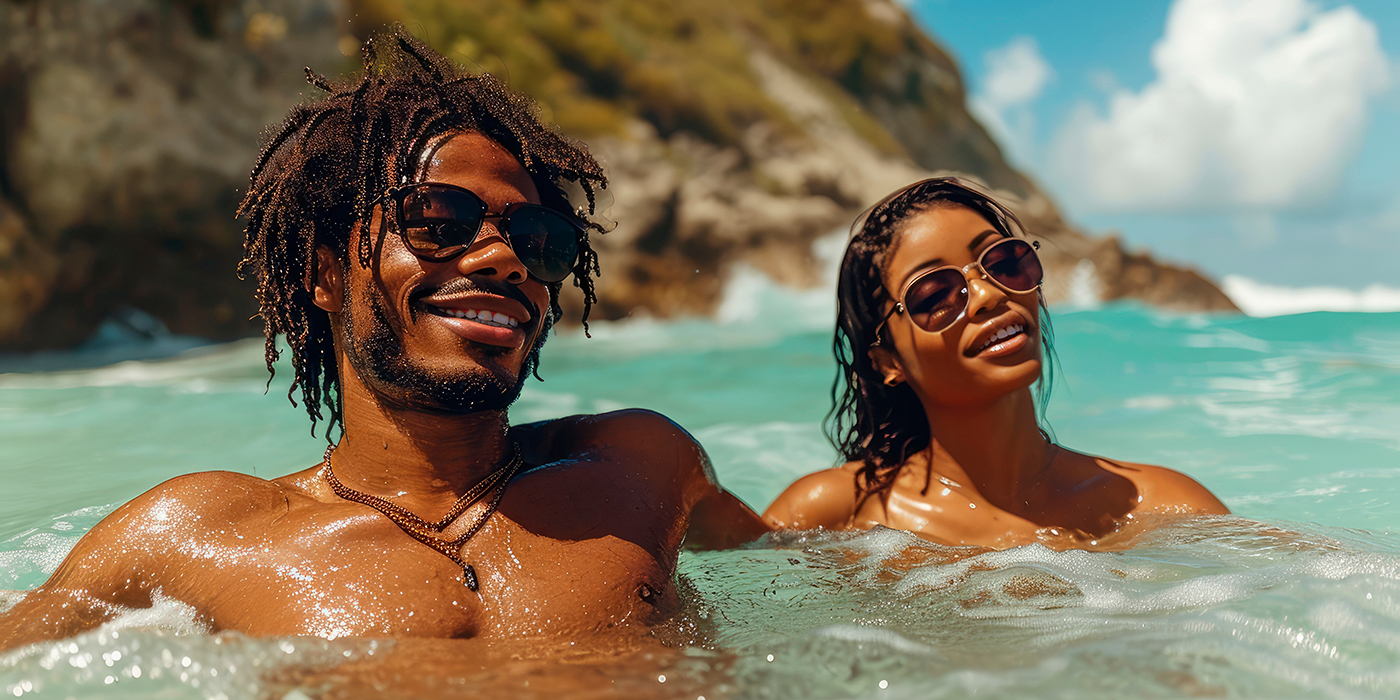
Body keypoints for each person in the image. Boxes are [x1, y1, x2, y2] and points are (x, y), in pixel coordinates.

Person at [0, 29, 767, 650]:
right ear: (326, 272)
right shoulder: (199, 539)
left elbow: (821, 558)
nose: (504, 259)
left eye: (538, 240)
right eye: (438, 222)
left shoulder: (640, 468)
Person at [763, 178, 1227, 547]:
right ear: (888, 361)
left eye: (1005, 263)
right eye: (934, 295)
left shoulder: (1162, 506)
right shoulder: (832, 515)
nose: (989, 294)